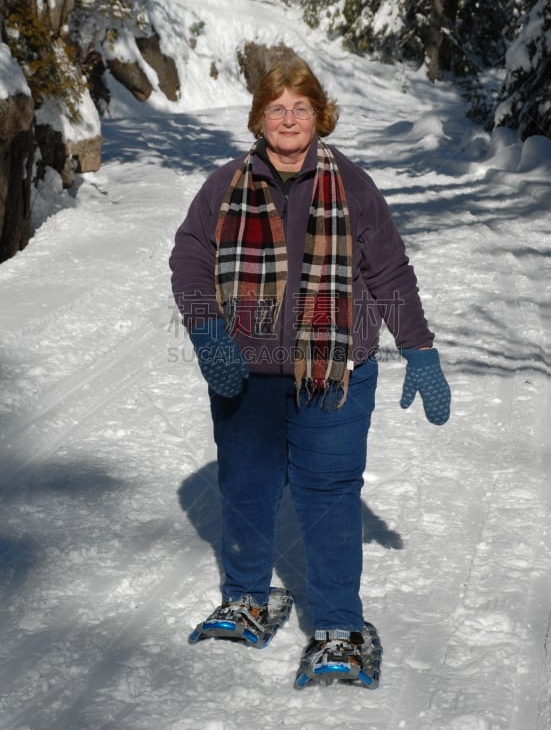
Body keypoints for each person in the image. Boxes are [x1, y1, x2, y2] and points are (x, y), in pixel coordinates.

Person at [169, 54, 450, 685]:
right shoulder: (225, 185)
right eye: (277, 108)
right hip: (245, 367)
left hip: (335, 369)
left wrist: (420, 349)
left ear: (320, 115)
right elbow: (189, 256)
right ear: (259, 119)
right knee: (245, 484)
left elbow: (389, 272)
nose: (289, 119)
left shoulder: (352, 186)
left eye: (300, 107)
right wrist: (207, 328)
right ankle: (245, 598)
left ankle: (338, 630)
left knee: (328, 495)